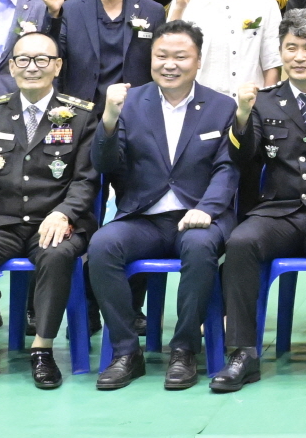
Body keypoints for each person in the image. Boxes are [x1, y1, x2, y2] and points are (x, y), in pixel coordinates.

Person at [213, 8, 306, 395]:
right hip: (278, 211)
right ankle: (242, 352)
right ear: (280, 52)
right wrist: (242, 116)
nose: (299, 57)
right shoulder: (262, 101)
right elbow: (242, 159)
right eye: (291, 47)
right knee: (241, 242)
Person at [87, 23, 241, 391]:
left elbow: (227, 168)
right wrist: (108, 119)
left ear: (198, 61)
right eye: (161, 56)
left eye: (180, 57)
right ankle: (126, 352)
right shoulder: (129, 103)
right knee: (102, 245)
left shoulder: (222, 106)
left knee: (200, 246)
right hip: (144, 218)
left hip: (200, 216)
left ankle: (184, 349)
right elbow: (104, 164)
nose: (169, 64)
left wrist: (207, 208)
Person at [0, 30, 98, 388]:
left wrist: (64, 213)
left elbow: (86, 179)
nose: (32, 67)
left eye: (42, 59)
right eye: (24, 60)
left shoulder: (80, 116)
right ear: (12, 67)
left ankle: (42, 349)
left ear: (57, 66)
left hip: (56, 219)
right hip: (4, 221)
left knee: (56, 255)